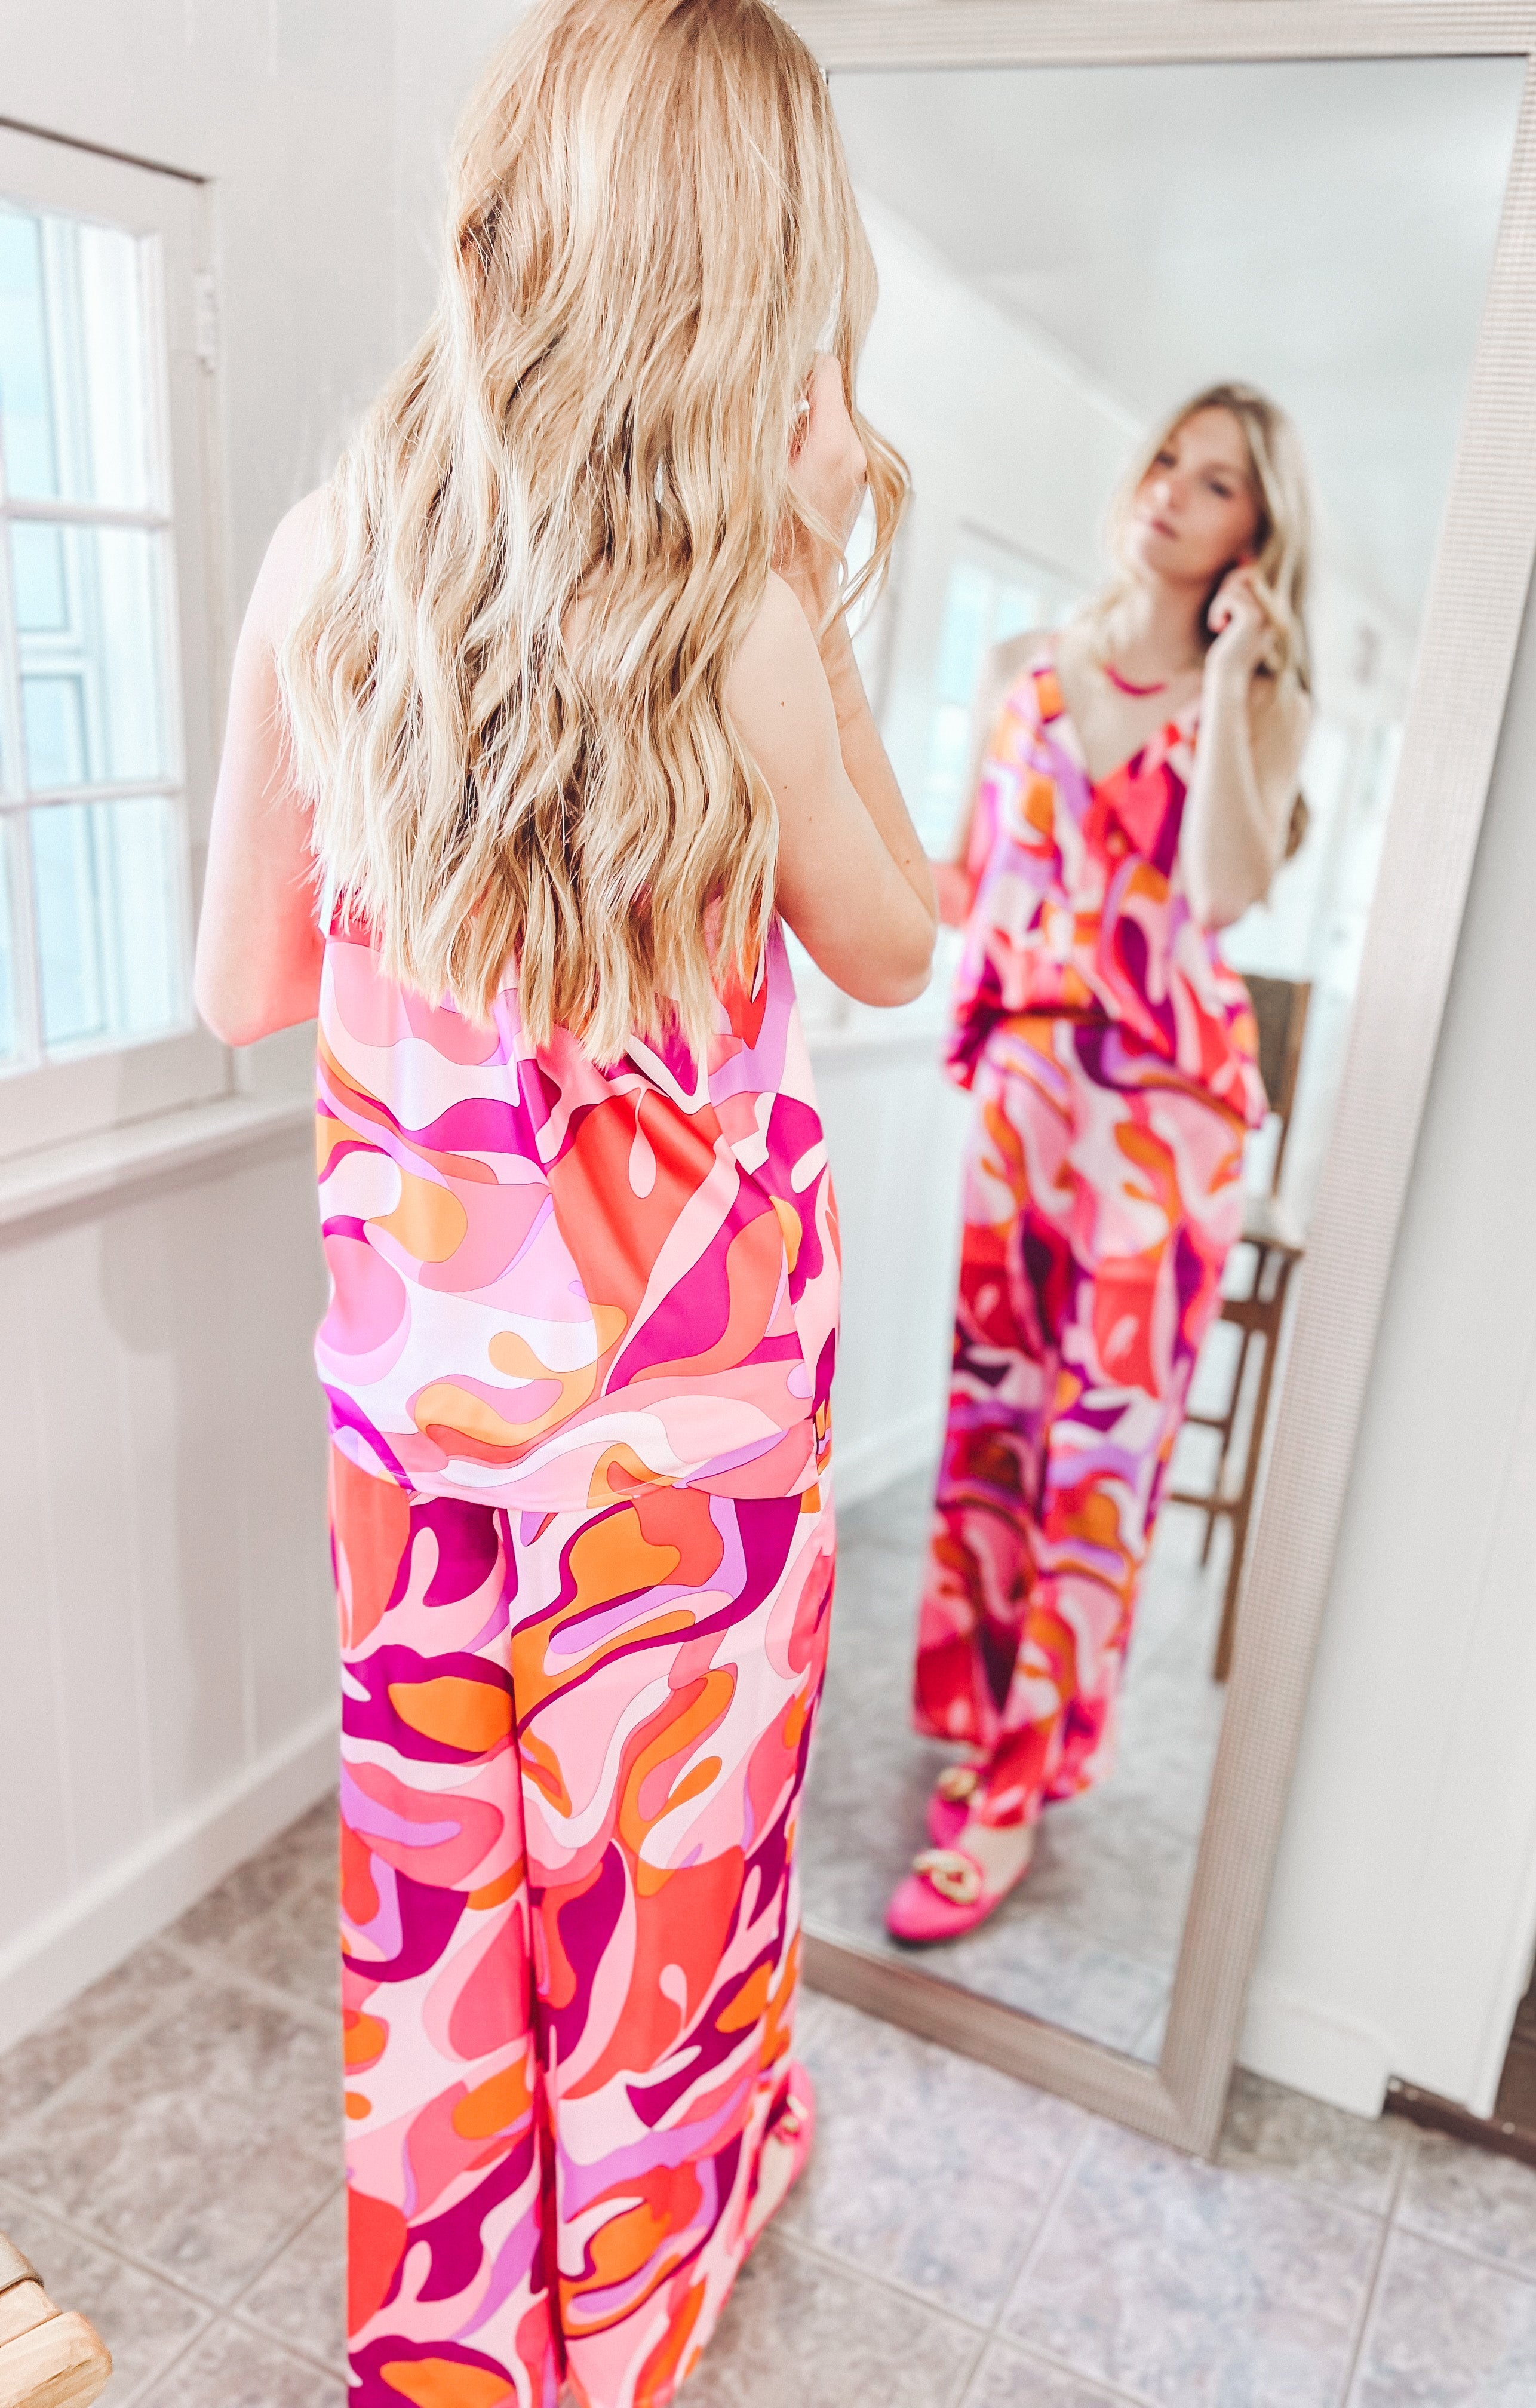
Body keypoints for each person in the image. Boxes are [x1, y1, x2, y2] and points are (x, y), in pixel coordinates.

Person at [194, 4, 935, 2399]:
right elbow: (896, 945)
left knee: (446, 1924)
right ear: (753, 268)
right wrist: (811, 570)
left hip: (417, 1417)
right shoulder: (740, 620)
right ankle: (623, 2329)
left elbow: (240, 990)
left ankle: (455, 2356)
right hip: (684, 1450)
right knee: (656, 1929)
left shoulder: (331, 558)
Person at [887, 383, 1311, 1946]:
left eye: (1216, 485)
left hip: (1165, 1110)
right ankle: (982, 1718)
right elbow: (959, 877)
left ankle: (1018, 1777)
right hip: (1025, 1083)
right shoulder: (1019, 663)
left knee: (1105, 1444)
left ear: (1254, 534)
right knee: (997, 1409)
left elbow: (1223, 894)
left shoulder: (1256, 698)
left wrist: (1237, 672)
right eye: (1165, 462)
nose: (1169, 493)